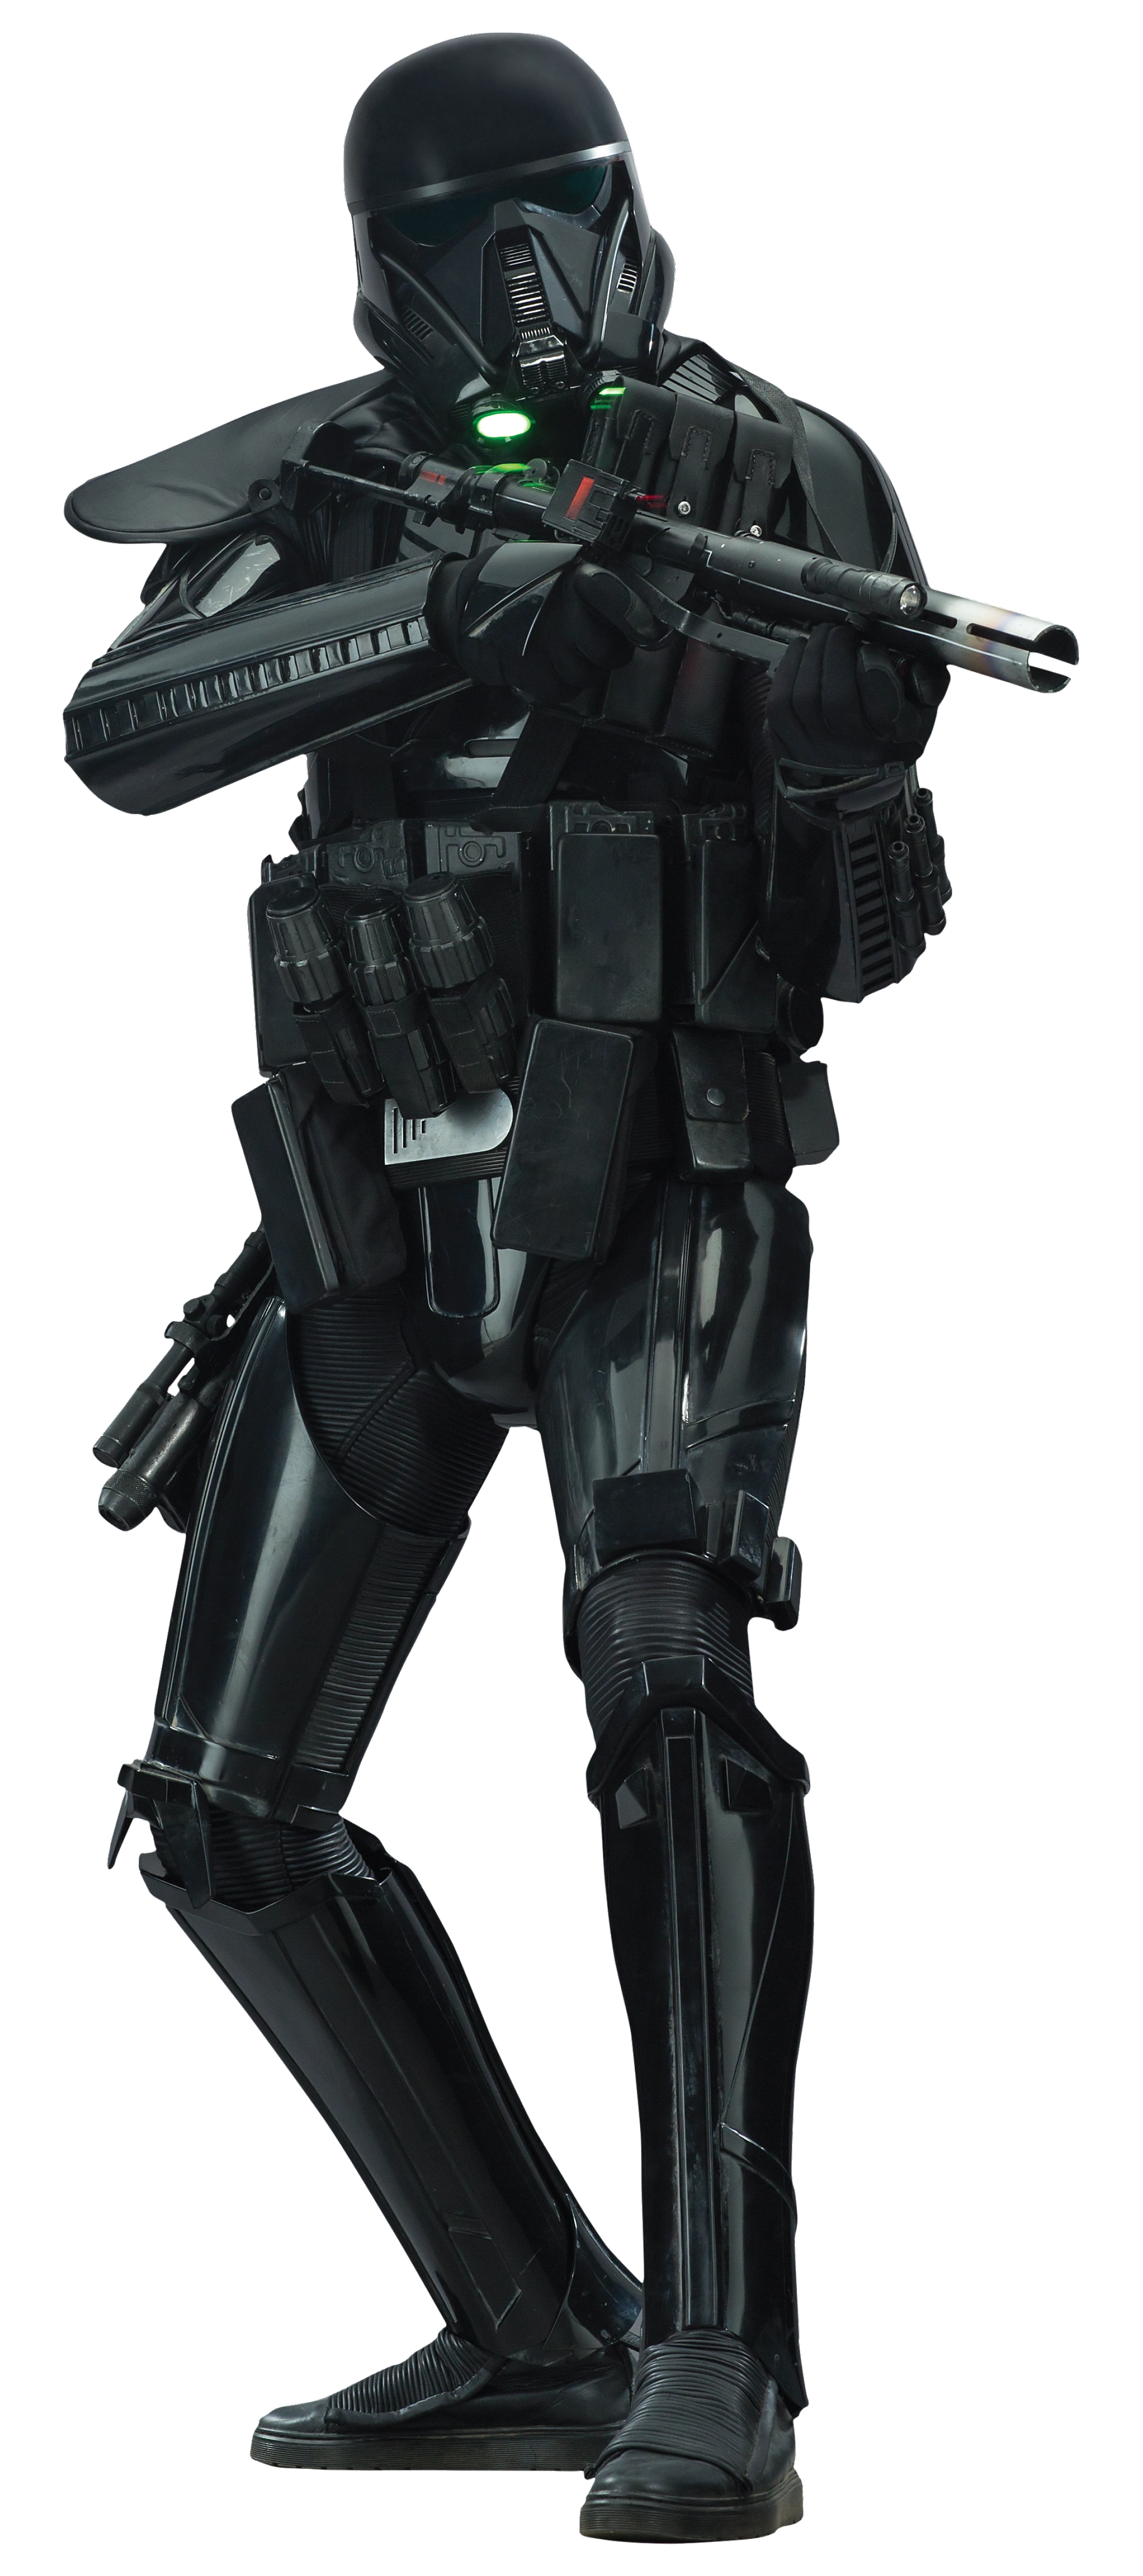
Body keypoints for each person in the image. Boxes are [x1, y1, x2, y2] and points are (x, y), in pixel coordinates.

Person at [63, 32, 949, 2544]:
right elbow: (127, 728)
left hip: (652, 1184)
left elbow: (869, 904)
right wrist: (448, 611)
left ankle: (721, 2356)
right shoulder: (334, 477)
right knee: (223, 1815)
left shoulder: (778, 470)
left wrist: (780, 732)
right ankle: (534, 2320)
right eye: (472, 245)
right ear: (388, 263)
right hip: (368, 1215)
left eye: (560, 225)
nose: (527, 292)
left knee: (672, 1701)